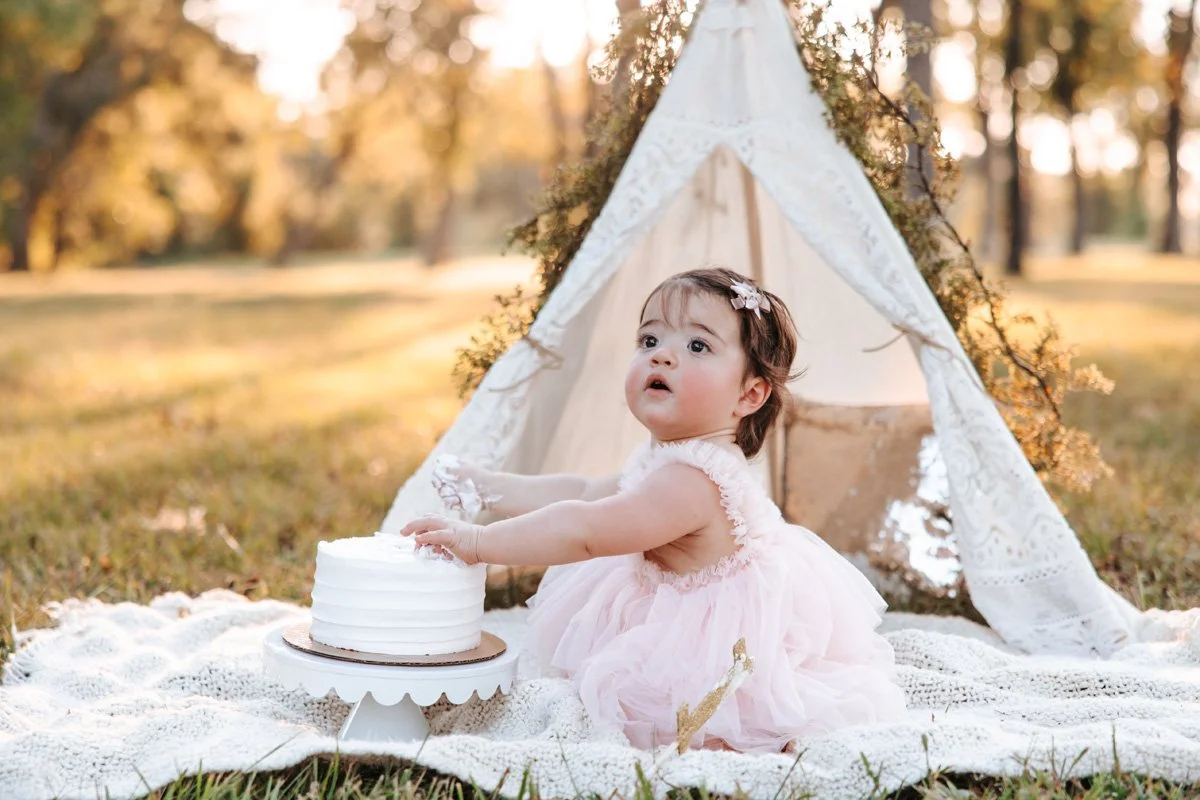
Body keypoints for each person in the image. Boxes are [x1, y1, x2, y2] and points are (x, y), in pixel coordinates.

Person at [400, 267, 908, 754]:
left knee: (687, 714)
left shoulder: (691, 482)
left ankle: (741, 730)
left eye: (697, 346)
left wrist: (478, 542)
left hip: (719, 638)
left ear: (749, 394)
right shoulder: (672, 456)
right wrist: (490, 489)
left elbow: (586, 531)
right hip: (673, 597)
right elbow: (584, 490)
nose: (663, 357)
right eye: (650, 341)